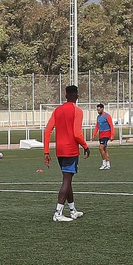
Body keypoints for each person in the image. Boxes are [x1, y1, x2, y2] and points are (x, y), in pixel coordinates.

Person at [43, 85, 90, 222]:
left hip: (60, 150)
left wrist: (46, 151)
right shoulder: (77, 111)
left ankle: (72, 210)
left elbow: (47, 131)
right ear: (76, 96)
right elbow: (77, 133)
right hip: (71, 150)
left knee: (67, 179)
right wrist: (85, 146)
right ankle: (58, 213)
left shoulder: (57, 110)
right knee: (66, 180)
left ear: (65, 96)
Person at [94, 104, 114, 170]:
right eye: (97, 109)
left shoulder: (107, 116)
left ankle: (104, 163)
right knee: (105, 149)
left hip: (106, 134)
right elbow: (97, 126)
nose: (98, 111)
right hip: (101, 134)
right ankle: (108, 164)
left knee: (100, 147)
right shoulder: (98, 117)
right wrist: (94, 134)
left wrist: (112, 135)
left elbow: (111, 125)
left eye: (99, 109)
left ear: (102, 108)